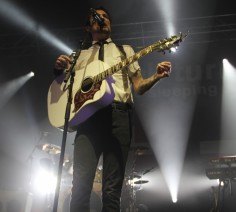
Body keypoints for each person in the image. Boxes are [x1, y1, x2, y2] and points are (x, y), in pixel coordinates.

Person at [53, 6, 172, 212]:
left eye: (106, 17)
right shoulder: (78, 55)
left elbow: (139, 87)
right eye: (97, 18)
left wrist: (156, 76)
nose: (103, 20)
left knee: (112, 189)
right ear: (88, 27)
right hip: (88, 121)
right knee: (80, 186)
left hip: (119, 117)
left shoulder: (124, 51)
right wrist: (58, 70)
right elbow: (63, 90)